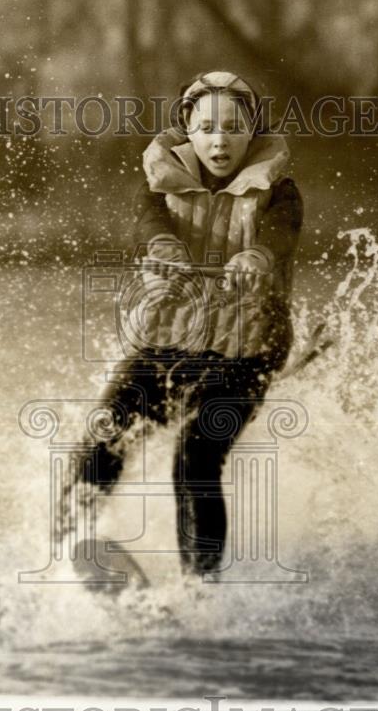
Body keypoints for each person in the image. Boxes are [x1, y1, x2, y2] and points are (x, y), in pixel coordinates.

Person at [61, 70, 304, 577]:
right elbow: (146, 224)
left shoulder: (280, 193)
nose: (222, 139)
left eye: (236, 127)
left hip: (248, 349)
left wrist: (257, 256)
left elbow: (281, 234)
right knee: (103, 431)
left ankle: (199, 590)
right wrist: (162, 245)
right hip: (171, 337)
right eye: (209, 126)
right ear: (187, 131)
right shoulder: (156, 186)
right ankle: (70, 555)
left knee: (196, 454)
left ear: (253, 133)